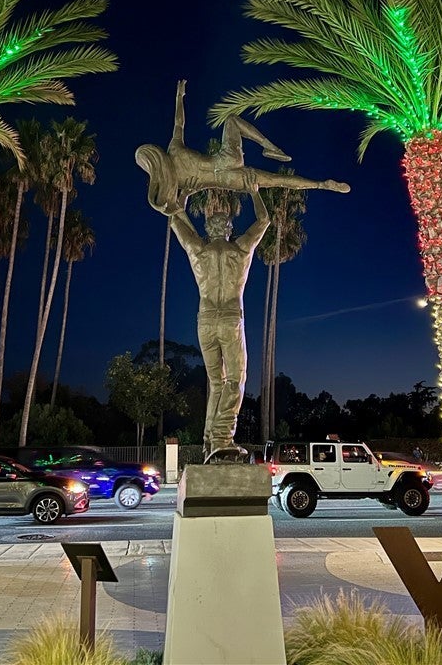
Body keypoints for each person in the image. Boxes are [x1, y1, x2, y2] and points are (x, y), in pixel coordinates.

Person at [135, 80, 349, 216]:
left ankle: (321, 184)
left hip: (227, 178)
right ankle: (272, 149)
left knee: (275, 180)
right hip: (226, 162)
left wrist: (186, 194)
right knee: (232, 121)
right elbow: (179, 123)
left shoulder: (174, 182)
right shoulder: (174, 151)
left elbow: (175, 210)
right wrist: (179, 97)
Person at [169, 169, 269, 459]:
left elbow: (174, 219)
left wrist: (183, 196)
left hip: (205, 321)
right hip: (229, 319)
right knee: (235, 379)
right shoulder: (240, 249)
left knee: (216, 382)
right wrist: (254, 193)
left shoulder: (198, 251)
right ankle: (223, 437)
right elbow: (264, 221)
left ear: (208, 228)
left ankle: (208, 443)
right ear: (228, 228)